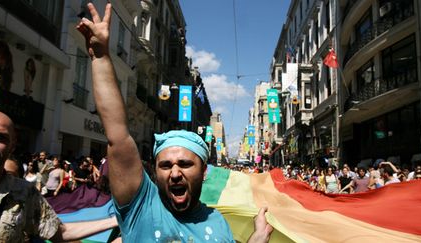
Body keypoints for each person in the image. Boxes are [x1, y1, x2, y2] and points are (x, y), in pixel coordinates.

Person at [76, 3, 273, 243]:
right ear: (155, 172)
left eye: (185, 164)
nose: (175, 173)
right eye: (166, 165)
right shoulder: (141, 207)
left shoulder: (218, 222)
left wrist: (258, 237)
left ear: (203, 172)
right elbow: (117, 133)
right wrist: (100, 57)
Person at [0, 110, 118, 241]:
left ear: (12, 145)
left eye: (1, 137)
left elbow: (61, 232)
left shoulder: (25, 193)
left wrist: (115, 221)